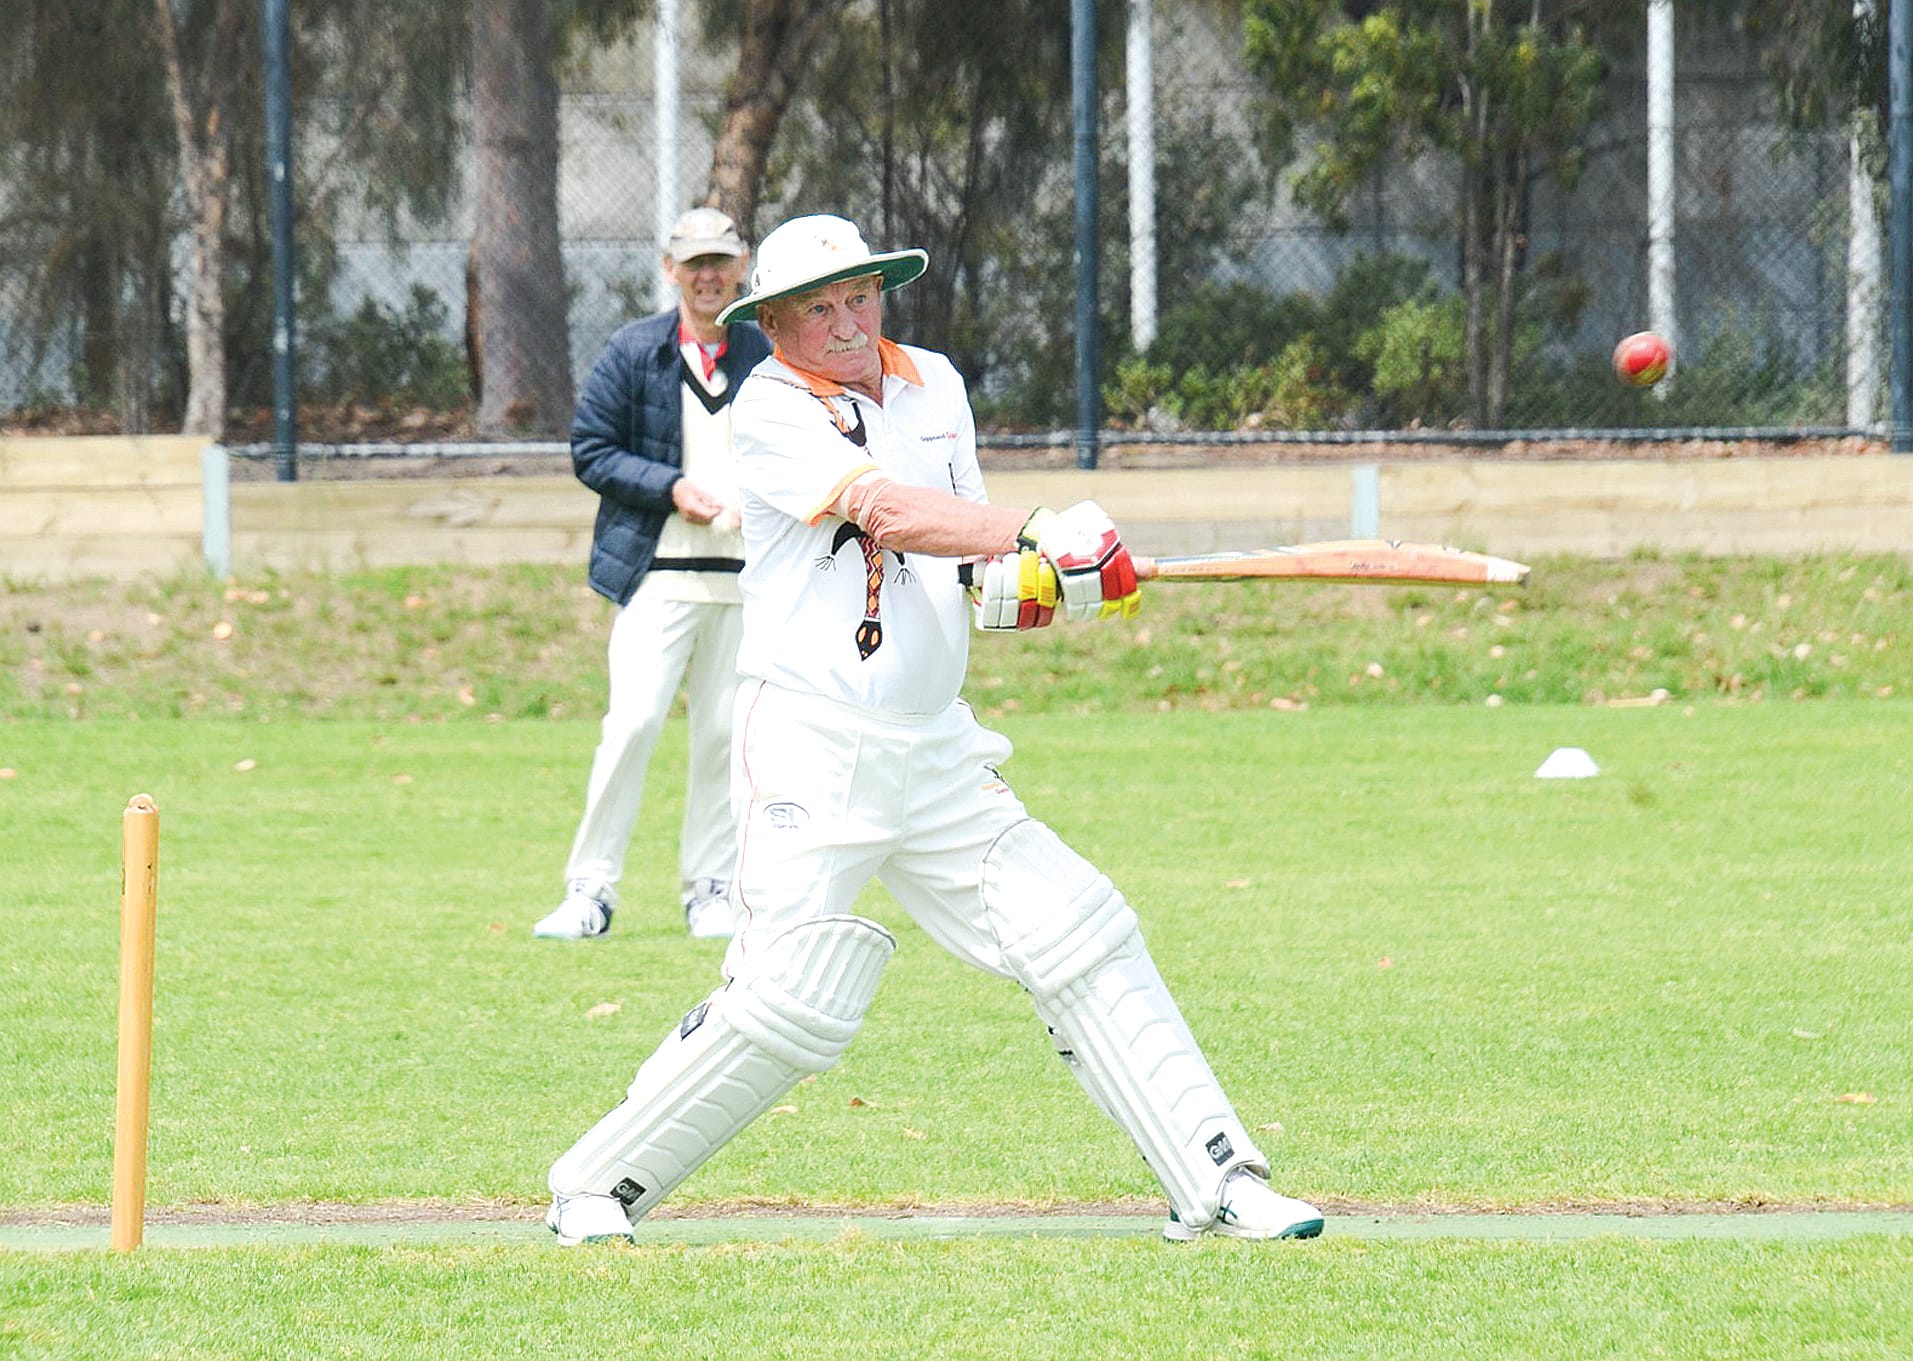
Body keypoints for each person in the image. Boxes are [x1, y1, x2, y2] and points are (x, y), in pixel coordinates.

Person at [543, 214, 1324, 1244]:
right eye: (815, 307)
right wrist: (1040, 530)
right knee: (787, 999)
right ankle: (592, 1184)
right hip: (812, 747)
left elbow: (965, 559)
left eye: (859, 295)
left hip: (936, 747)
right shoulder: (767, 403)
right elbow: (888, 514)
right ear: (768, 322)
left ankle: (1219, 1182)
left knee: (1081, 929)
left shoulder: (935, 385)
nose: (845, 320)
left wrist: (1056, 586)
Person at [533, 208, 772, 942]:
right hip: (656, 575)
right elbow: (591, 449)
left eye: (720, 261)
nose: (707, 275)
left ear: (742, 267)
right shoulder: (634, 349)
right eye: (693, 262)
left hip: (745, 582)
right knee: (632, 724)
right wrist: (671, 487)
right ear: (669, 268)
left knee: (721, 738)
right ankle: (590, 890)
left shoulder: (764, 352)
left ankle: (709, 888)